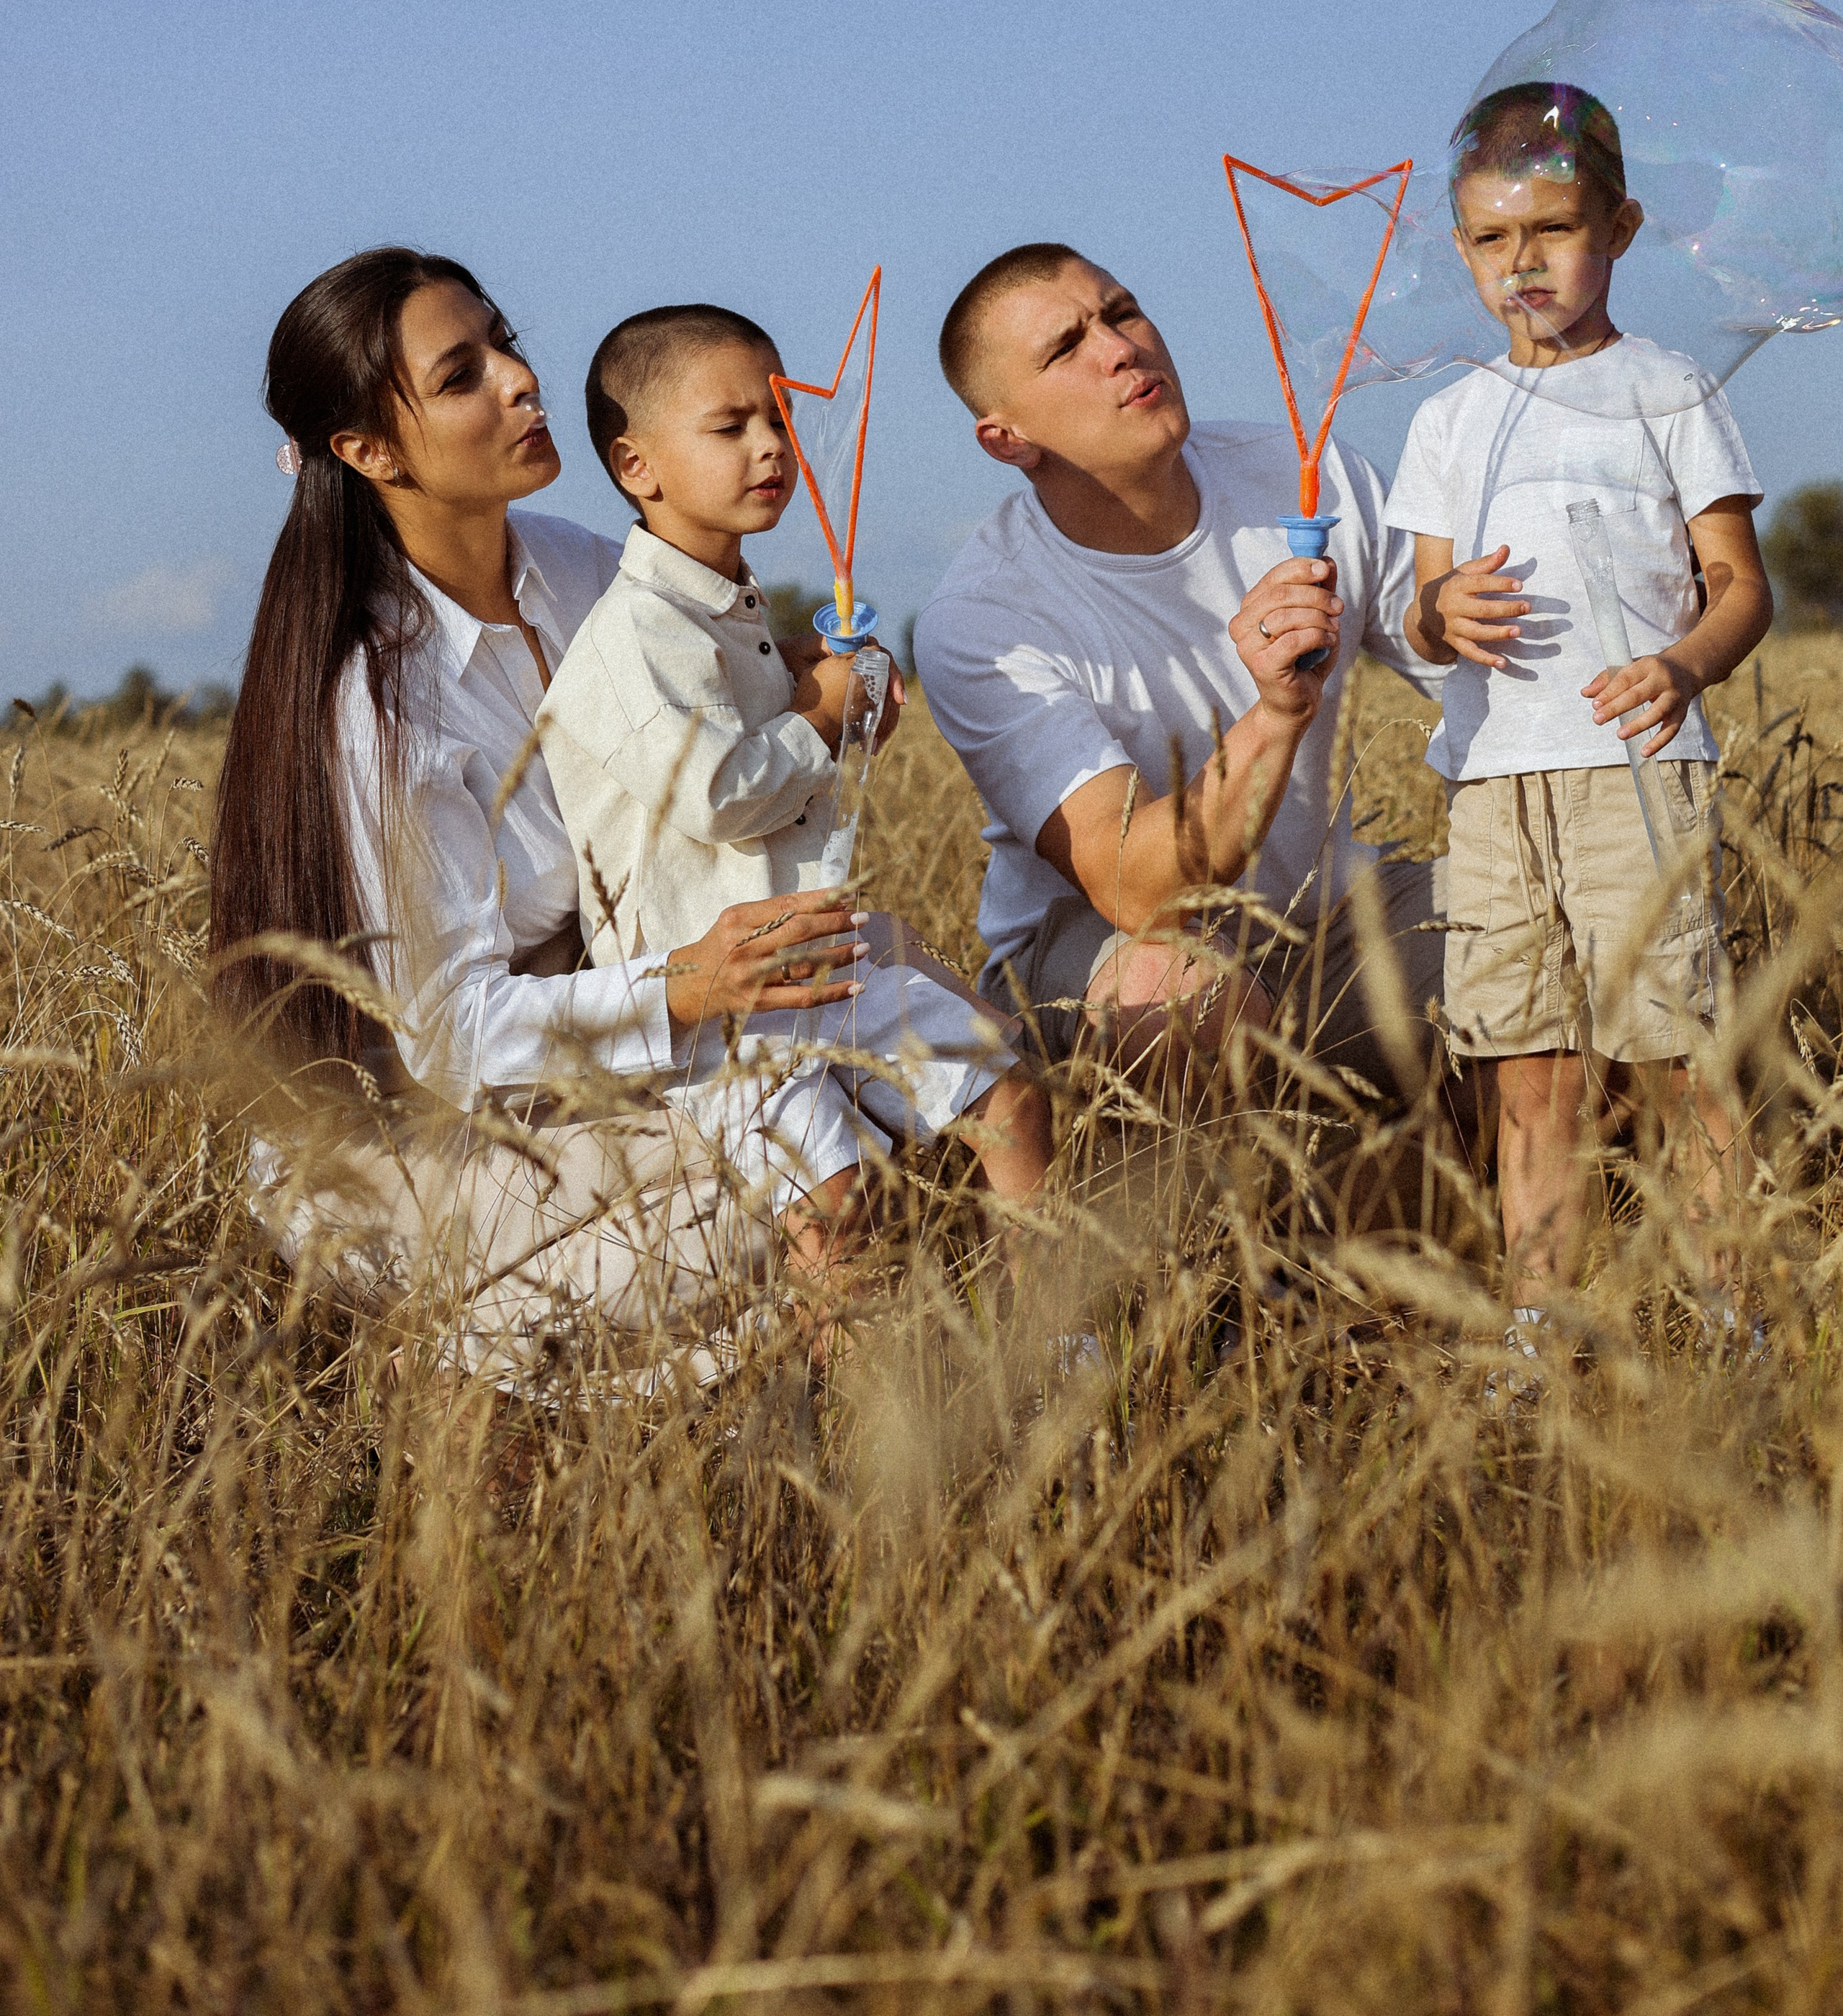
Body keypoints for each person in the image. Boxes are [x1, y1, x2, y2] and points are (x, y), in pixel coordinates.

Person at [209, 248, 882, 1386]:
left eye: (504, 342)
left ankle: (687, 1372)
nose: (522, 380)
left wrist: (824, 699)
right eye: (462, 374)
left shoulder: (590, 576)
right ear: (370, 452)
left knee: (876, 1105)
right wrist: (687, 985)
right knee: (784, 1186)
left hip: (610, 1074)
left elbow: (728, 768)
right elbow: (446, 1035)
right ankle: (490, 1379)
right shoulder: (375, 700)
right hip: (416, 1137)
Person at [539, 303, 1053, 1247]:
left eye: (779, 417)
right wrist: (820, 713)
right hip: (711, 1011)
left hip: (812, 968)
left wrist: (846, 713)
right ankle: (835, 1388)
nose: (770, 446)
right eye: (730, 427)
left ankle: (1053, 1344)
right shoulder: (633, 634)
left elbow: (792, 787)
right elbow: (719, 794)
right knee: (836, 1210)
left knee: (1007, 1089)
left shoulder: (729, 613)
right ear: (635, 466)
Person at [1385, 82, 1772, 1321]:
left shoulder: (1667, 390)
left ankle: (1735, 1311)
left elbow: (1739, 586)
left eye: (1552, 231)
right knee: (1527, 1072)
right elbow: (1418, 609)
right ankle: (1539, 1326)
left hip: (1634, 769)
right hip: (1493, 781)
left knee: (1673, 1057)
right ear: (1462, 251)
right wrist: (1440, 618)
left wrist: (1683, 666)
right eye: (1493, 241)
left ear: (1620, 226)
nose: (1524, 263)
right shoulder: (1451, 417)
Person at [912, 245, 1447, 1096]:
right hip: (1102, 958)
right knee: (1171, 992)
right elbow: (1137, 891)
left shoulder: (1306, 472)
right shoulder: (982, 618)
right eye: (1066, 348)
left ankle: (1456, 1185)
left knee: (1553, 922)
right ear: (1006, 440)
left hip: (1334, 922)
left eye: (1121, 311)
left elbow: (1467, 668)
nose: (1120, 348)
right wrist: (1274, 715)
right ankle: (1234, 1211)